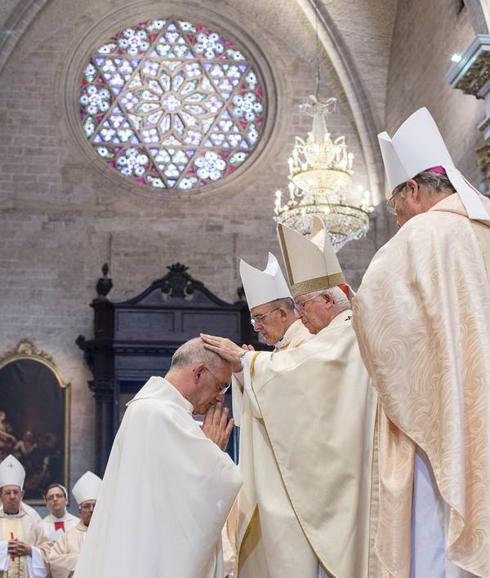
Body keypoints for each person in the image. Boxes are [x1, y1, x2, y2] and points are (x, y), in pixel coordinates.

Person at [352, 107, 490, 578]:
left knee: (439, 542)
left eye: (396, 207)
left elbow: (376, 320)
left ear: (412, 188)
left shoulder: (420, 235)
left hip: (443, 430)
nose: (397, 221)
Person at [202, 219, 376, 578]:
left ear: (328, 299)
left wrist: (248, 363)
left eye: (301, 305)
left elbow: (301, 376)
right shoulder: (314, 342)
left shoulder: (343, 333)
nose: (301, 315)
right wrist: (247, 370)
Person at [73, 338, 242, 578]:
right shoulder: (160, 414)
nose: (219, 399)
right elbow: (189, 505)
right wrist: (212, 453)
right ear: (199, 373)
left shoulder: (154, 410)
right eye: (221, 387)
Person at [222, 252, 311, 578]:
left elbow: (298, 391)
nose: (256, 327)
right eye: (253, 320)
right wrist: (249, 371)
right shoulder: (283, 349)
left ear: (284, 312)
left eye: (260, 318)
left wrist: (250, 366)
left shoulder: (307, 341)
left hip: (301, 481)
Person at [0, 455, 48, 578]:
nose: (12, 496)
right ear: (1, 495)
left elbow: (48, 552)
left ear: (22, 494)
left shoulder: (33, 520)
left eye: (15, 492)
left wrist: (30, 550)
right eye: (7, 492)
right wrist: (4, 548)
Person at [47, 472, 101, 578]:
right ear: (79, 511)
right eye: (86, 506)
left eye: (95, 506)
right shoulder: (69, 536)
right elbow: (53, 560)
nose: (91, 510)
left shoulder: (109, 534)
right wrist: (78, 560)